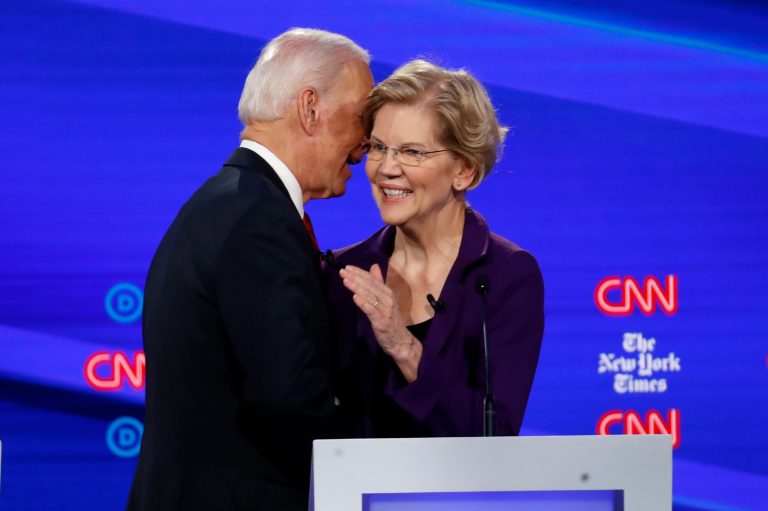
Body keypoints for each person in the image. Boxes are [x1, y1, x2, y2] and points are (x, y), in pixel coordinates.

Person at [128, 29, 373, 511]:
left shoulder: (227, 203)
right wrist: (378, 460)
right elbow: (288, 398)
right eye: (362, 118)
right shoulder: (258, 221)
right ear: (310, 109)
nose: (366, 145)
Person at [326, 59, 544, 438]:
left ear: (465, 171)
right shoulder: (344, 273)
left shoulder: (506, 275)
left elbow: (496, 436)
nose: (386, 168)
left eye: (412, 152)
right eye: (378, 147)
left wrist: (404, 347)